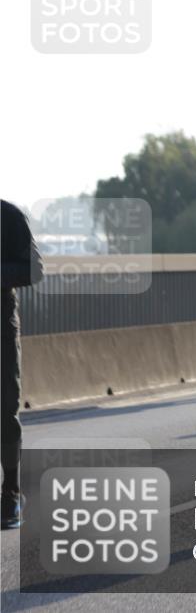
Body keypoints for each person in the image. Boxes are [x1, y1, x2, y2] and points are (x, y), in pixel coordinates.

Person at [1, 200, 42, 529]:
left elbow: (34, 269)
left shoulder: (9, 217)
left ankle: (11, 493)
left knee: (4, 411)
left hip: (0, 327)